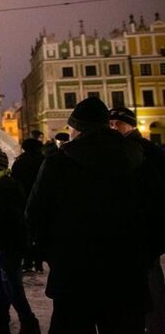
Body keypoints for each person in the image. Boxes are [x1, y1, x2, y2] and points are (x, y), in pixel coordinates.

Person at [27, 97, 150, 333]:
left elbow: (35, 216)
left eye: (71, 128)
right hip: (127, 277)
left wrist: (54, 257)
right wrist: (142, 258)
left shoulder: (57, 164)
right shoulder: (139, 159)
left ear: (78, 129)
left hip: (73, 278)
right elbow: (156, 215)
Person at [109, 106, 165, 333]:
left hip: (145, 229)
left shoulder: (143, 150)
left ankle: (156, 326)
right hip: (134, 229)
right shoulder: (122, 148)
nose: (113, 127)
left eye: (118, 124)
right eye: (110, 124)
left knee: (151, 284)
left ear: (131, 125)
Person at [0, 149, 40, 334]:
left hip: (9, 244)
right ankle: (0, 321)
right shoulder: (3, 183)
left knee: (12, 286)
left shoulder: (0, 188)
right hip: (10, 243)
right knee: (3, 284)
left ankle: (29, 322)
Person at [10, 138, 45, 273]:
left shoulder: (19, 162)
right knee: (38, 231)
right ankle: (39, 262)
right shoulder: (43, 160)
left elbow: (14, 181)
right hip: (40, 201)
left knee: (26, 232)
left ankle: (27, 261)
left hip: (23, 201)